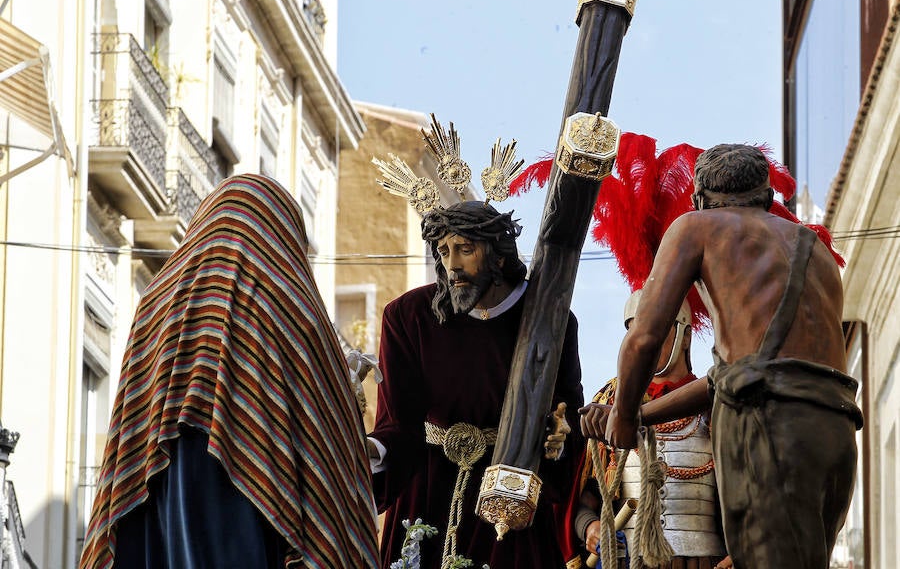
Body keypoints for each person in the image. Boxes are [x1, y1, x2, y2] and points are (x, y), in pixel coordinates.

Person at [581, 144, 864, 568]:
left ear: (698, 198)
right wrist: (642, 415)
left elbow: (642, 339)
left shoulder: (697, 227)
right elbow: (730, 377)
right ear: (769, 198)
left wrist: (622, 417)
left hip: (767, 427)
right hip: (835, 431)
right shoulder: (817, 251)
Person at [80, 174, 379, 569]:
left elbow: (131, 427)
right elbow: (326, 430)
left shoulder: (156, 299)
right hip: (261, 508)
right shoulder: (291, 301)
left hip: (158, 502)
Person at [368, 200, 585, 569]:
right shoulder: (408, 317)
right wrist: (368, 451)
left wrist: (558, 439)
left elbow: (568, 418)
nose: (452, 265)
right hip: (428, 496)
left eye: (465, 250)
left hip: (508, 498)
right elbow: (398, 425)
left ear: (499, 256)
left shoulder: (549, 320)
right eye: (444, 251)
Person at [573, 292, 730, 569]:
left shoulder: (718, 404)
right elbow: (584, 497)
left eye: (656, 328)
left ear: (686, 337)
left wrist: (739, 551)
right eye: (634, 331)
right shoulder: (609, 404)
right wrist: (590, 527)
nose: (643, 340)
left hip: (703, 561)